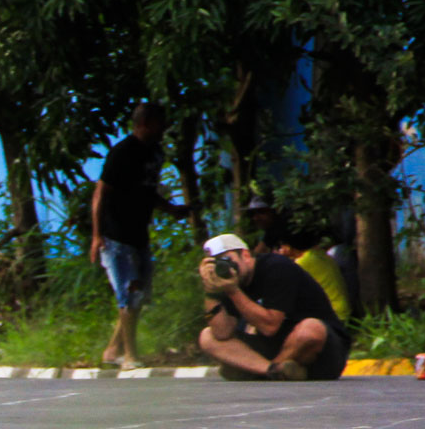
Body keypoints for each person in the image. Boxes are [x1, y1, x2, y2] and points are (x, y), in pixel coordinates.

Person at [89, 102, 189, 369]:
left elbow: (146, 191)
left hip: (139, 234)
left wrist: (170, 209)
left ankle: (112, 350)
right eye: (159, 123)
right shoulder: (122, 153)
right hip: (116, 236)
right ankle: (130, 357)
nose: (163, 129)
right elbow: (100, 193)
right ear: (144, 123)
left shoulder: (155, 153)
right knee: (129, 294)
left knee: (140, 295)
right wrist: (97, 236)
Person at [197, 233, 349, 381]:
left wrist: (233, 291)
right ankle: (273, 371)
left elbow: (270, 327)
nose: (225, 268)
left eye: (226, 260)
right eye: (217, 264)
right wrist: (210, 292)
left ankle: (255, 372)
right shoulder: (227, 281)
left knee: (311, 329)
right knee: (207, 336)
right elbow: (222, 333)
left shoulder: (277, 267)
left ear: (246, 255)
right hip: (276, 348)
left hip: (322, 350)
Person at [274, 228, 351, 321]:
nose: (279, 250)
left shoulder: (303, 263)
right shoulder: (317, 253)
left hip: (334, 315)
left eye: (281, 247)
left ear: (288, 247)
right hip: (342, 310)